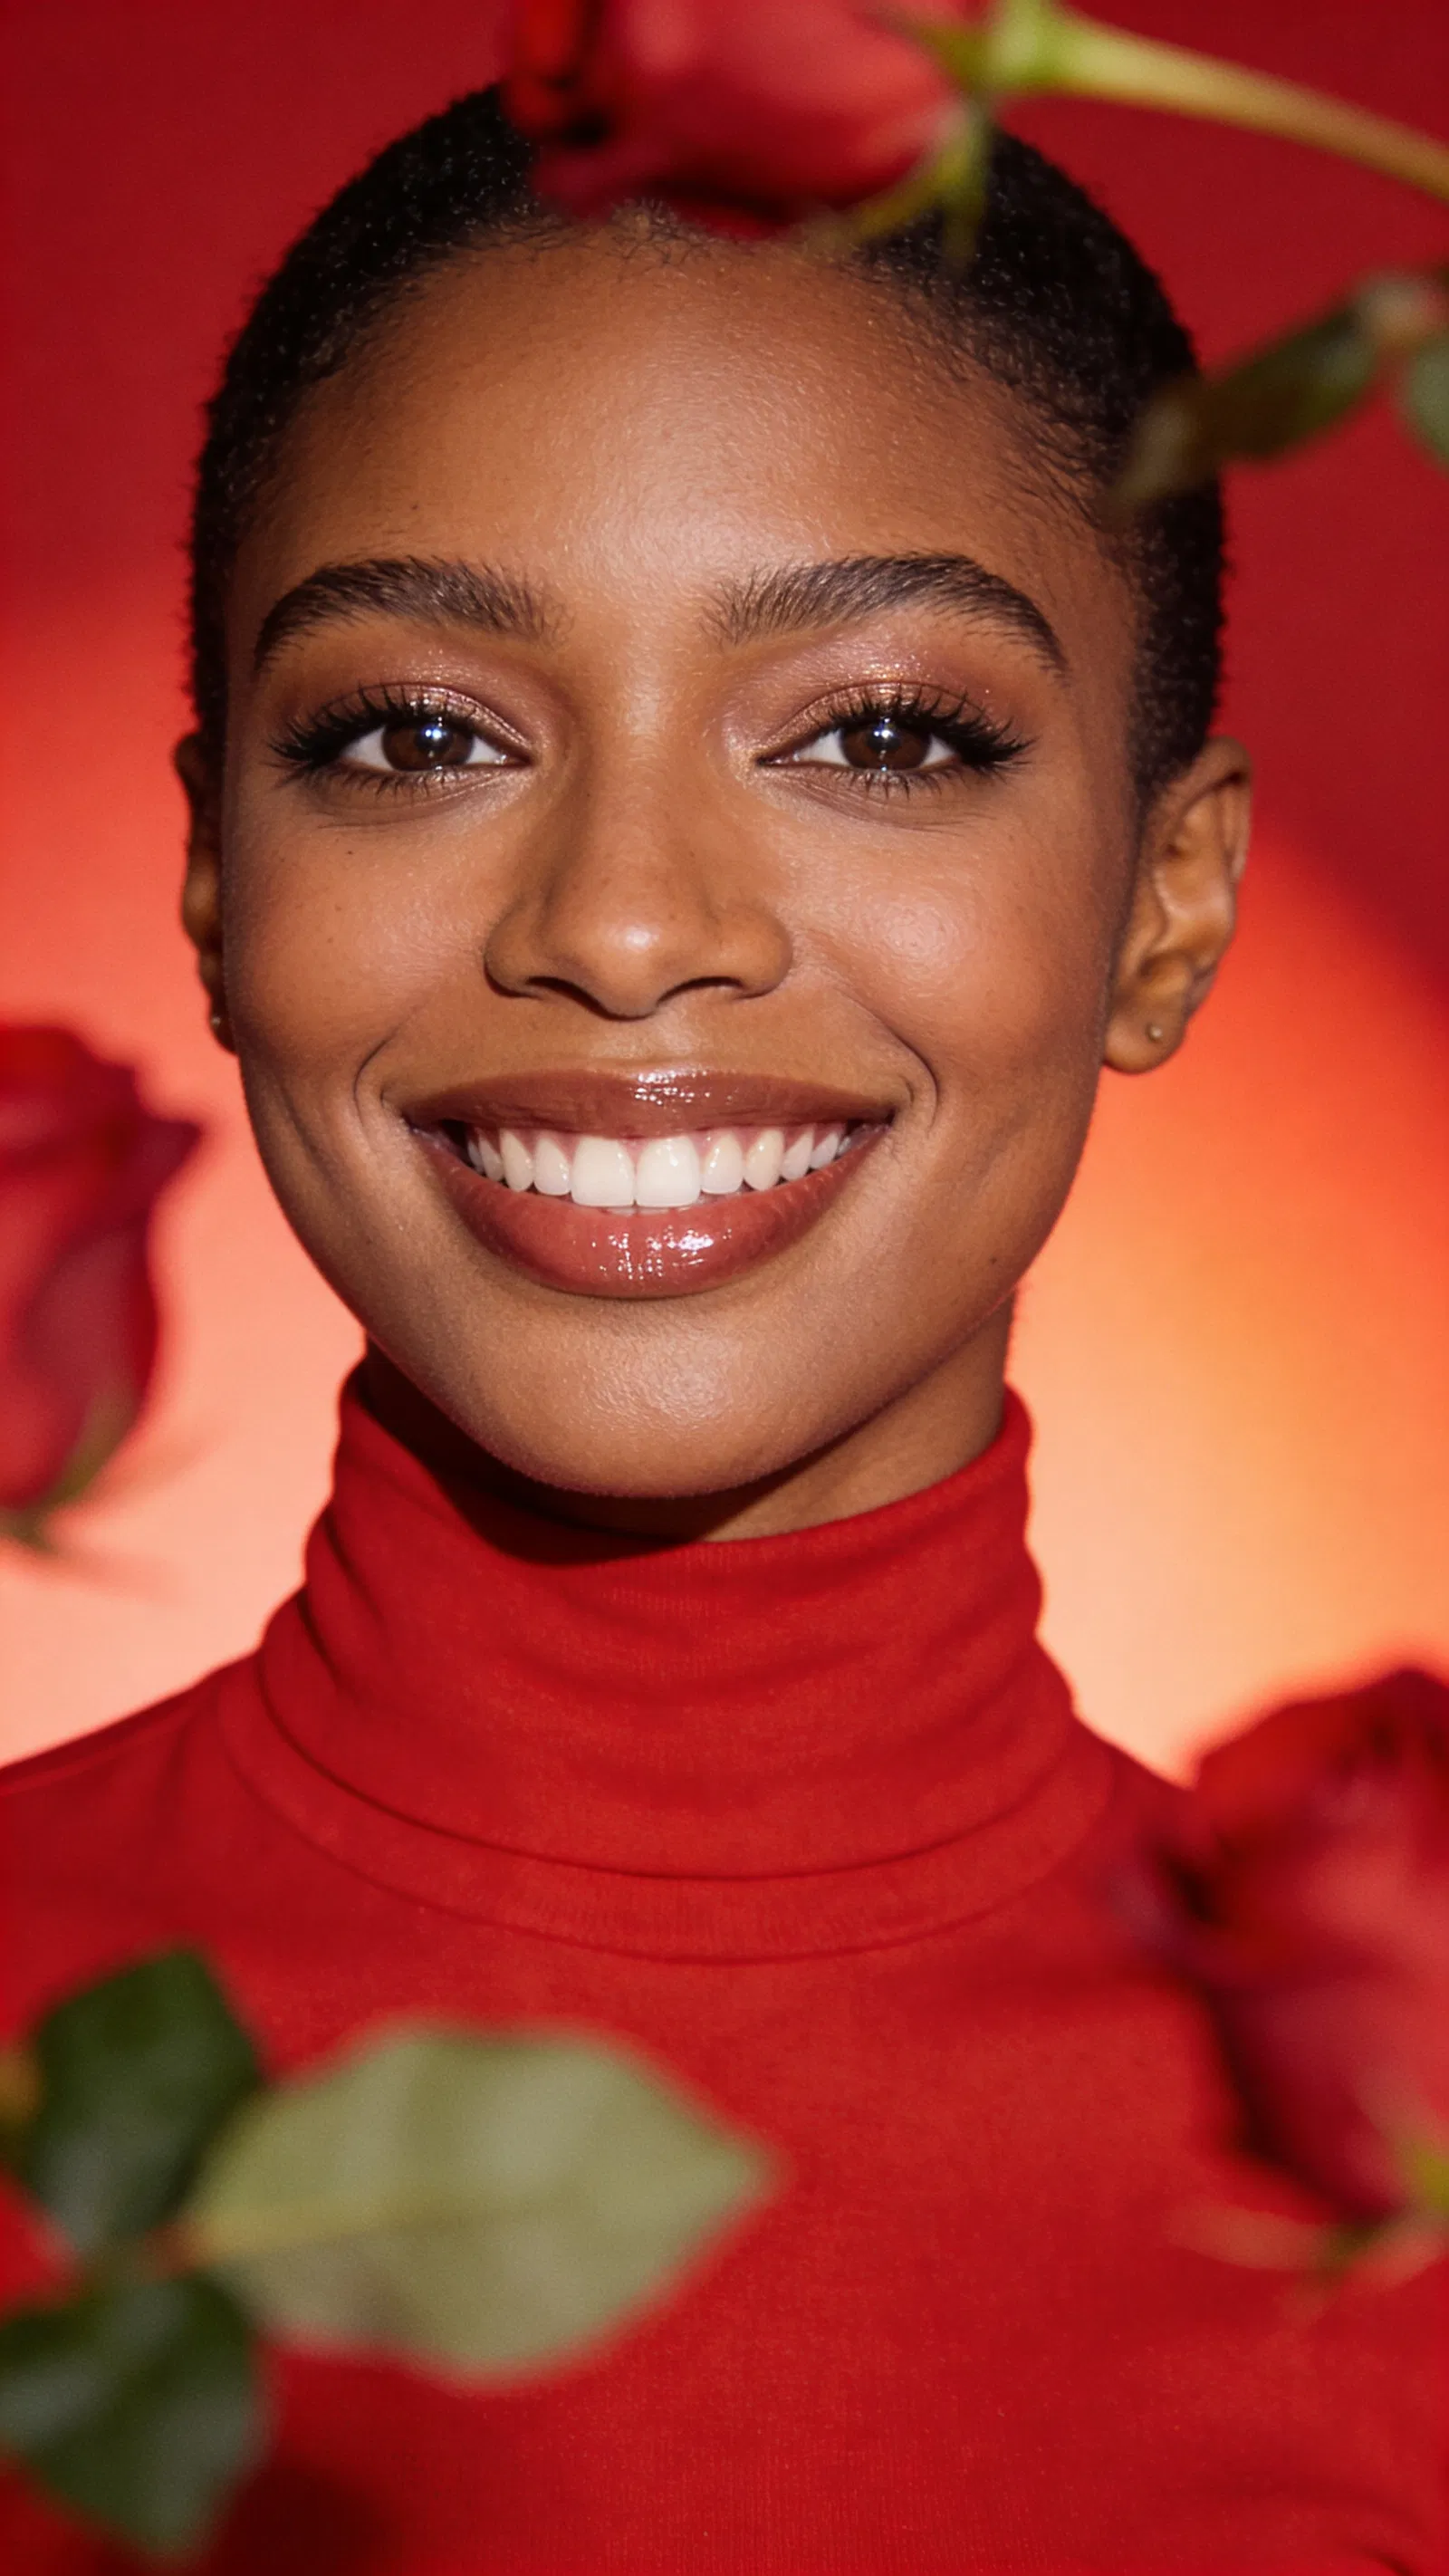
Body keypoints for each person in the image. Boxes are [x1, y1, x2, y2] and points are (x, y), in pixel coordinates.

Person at [2, 87, 1441, 2574]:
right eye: (419, 735)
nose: (629, 922)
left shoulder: (1391, 2185)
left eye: (880, 734)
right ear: (220, 876)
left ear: (1169, 904)